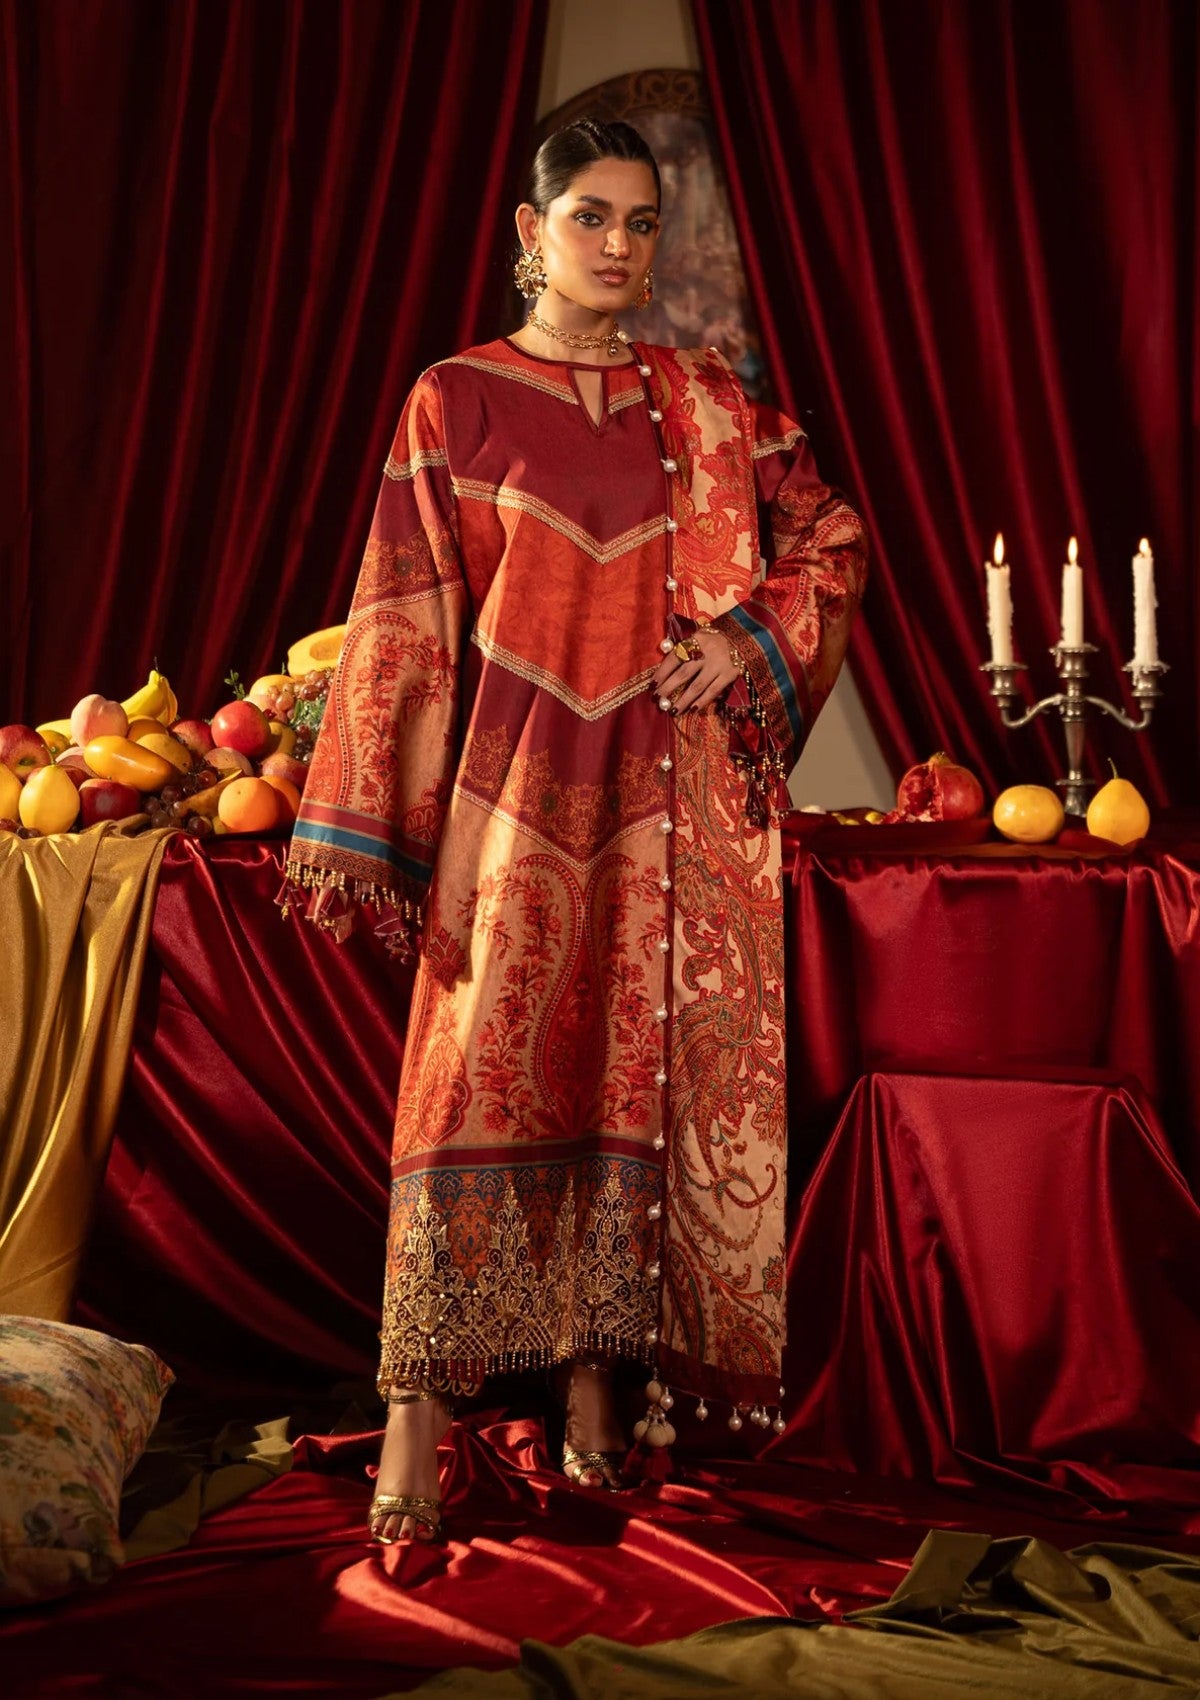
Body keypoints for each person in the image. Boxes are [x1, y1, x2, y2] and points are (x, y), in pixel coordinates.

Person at [282, 117, 867, 1545]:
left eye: (641, 221)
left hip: (670, 814)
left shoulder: (707, 401)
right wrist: (376, 818)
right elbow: (406, 611)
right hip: (513, 801)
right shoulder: (457, 398)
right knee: (471, 1086)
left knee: (632, 1076)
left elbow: (829, 537)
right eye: (591, 216)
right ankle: (416, 1412)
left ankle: (601, 1384)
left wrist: (747, 638)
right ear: (530, 231)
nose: (618, 244)